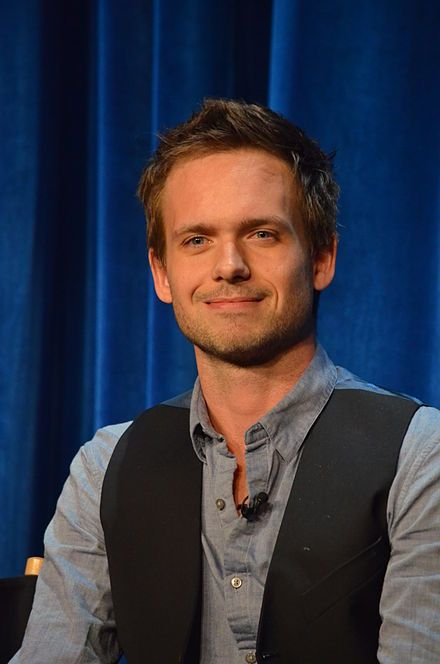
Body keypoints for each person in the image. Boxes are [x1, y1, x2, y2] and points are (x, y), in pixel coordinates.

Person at [11, 99, 440, 664]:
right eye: (196, 240)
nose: (228, 265)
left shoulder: (420, 455)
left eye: (262, 234)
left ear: (322, 258)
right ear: (162, 274)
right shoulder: (103, 467)